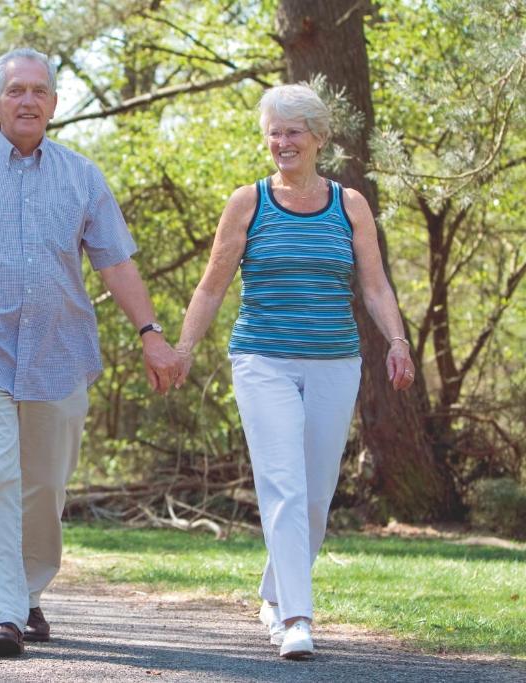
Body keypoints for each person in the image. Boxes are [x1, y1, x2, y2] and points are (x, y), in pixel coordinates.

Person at [0, 47, 184, 657]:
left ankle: (29, 594)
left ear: (54, 104)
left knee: (46, 488)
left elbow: (115, 261)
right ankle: (2, 612)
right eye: (15, 91)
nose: (27, 100)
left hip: (60, 352)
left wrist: (151, 334)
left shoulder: (82, 176)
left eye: (38, 91)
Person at [173, 83, 415, 660]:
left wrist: (398, 341)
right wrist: (181, 350)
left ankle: (275, 591)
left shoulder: (350, 204)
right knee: (282, 482)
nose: (282, 142)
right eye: (274, 132)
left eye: (293, 131)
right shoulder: (247, 202)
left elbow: (375, 285)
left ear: (319, 138)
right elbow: (212, 286)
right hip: (262, 359)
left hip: (335, 359)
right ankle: (295, 619)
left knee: (315, 493)